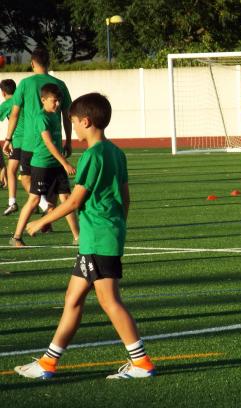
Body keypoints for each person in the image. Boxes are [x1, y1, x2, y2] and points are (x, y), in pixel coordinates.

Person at [14, 92, 155, 380]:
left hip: (97, 238)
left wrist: (42, 221)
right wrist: (117, 226)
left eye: (75, 122)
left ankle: (141, 362)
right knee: (73, 298)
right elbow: (126, 198)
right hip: (104, 235)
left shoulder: (93, 155)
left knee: (109, 301)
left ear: (87, 121)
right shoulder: (116, 152)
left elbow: (75, 201)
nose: (73, 128)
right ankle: (48, 363)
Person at [2, 47, 72, 216]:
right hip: (53, 142)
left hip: (30, 142)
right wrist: (68, 140)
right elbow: (67, 115)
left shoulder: (25, 84)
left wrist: (8, 138)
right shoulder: (60, 85)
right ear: (48, 62)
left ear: (32, 63)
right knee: (54, 183)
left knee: (26, 177)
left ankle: (45, 207)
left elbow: (14, 114)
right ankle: (48, 214)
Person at [9, 83, 79, 247]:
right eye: (54, 101)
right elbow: (48, 143)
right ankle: (17, 237)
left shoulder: (55, 115)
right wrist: (65, 163)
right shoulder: (41, 118)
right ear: (43, 100)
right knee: (34, 200)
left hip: (56, 165)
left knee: (66, 198)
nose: (57, 104)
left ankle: (77, 237)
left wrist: (67, 144)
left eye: (59, 100)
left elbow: (57, 141)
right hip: (42, 165)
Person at [1, 78, 23, 214]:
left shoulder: (7, 104)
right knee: (28, 174)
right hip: (34, 140)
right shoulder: (22, 100)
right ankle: (40, 202)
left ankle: (45, 205)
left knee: (12, 171)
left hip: (20, 141)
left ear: (3, 93)